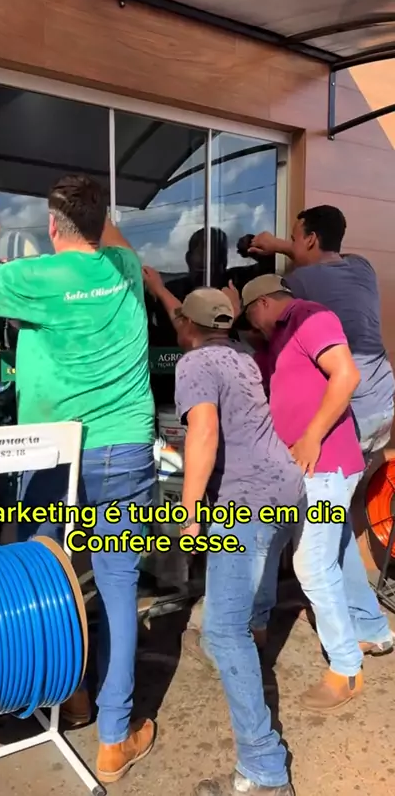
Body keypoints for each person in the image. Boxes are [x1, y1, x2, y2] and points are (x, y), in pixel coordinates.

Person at [0, 178, 156, 785]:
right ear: (101, 222)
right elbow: (108, 235)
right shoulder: (124, 268)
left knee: (48, 581)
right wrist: (92, 212)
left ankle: (68, 695)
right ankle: (113, 740)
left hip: (54, 454)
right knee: (118, 587)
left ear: (52, 228)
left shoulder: (36, 278)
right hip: (124, 450)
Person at [143, 266, 305, 796]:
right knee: (251, 599)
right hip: (286, 487)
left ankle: (264, 769)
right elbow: (189, 316)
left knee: (220, 631)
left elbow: (203, 433)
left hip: (247, 500)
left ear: (187, 326)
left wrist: (190, 512)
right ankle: (252, 640)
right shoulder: (239, 353)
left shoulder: (194, 362)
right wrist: (160, 288)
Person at [241, 274, 394, 712]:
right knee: (318, 548)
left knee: (311, 564)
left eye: (250, 315)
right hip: (303, 471)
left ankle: (346, 669)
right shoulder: (278, 339)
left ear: (264, 303)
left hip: (325, 466)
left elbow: (346, 374)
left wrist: (310, 437)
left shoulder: (309, 316)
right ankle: (370, 631)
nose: (253, 326)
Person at [244, 206, 395, 469]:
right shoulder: (363, 268)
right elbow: (330, 256)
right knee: (359, 479)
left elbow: (271, 333)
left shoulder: (298, 283)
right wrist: (281, 245)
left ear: (311, 239)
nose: (290, 245)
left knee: (329, 481)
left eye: (294, 239)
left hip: (352, 407)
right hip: (383, 402)